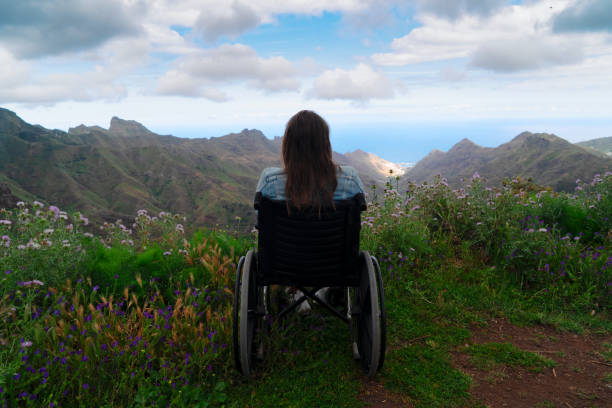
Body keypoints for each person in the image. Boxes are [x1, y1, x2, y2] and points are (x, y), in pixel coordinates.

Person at [255, 110, 365, 210]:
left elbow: (261, 217)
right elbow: (356, 215)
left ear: (288, 146)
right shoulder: (349, 179)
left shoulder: (270, 181)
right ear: (325, 144)